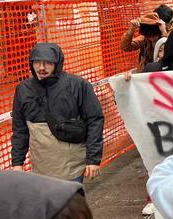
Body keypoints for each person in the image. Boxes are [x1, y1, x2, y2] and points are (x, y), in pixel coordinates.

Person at [11, 43, 104, 182]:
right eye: (37, 62)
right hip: (41, 168)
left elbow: (94, 120)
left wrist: (93, 159)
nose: (41, 68)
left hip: (72, 167)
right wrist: (17, 163)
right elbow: (20, 129)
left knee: (71, 196)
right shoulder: (24, 90)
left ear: (57, 63)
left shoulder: (77, 85)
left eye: (48, 63)